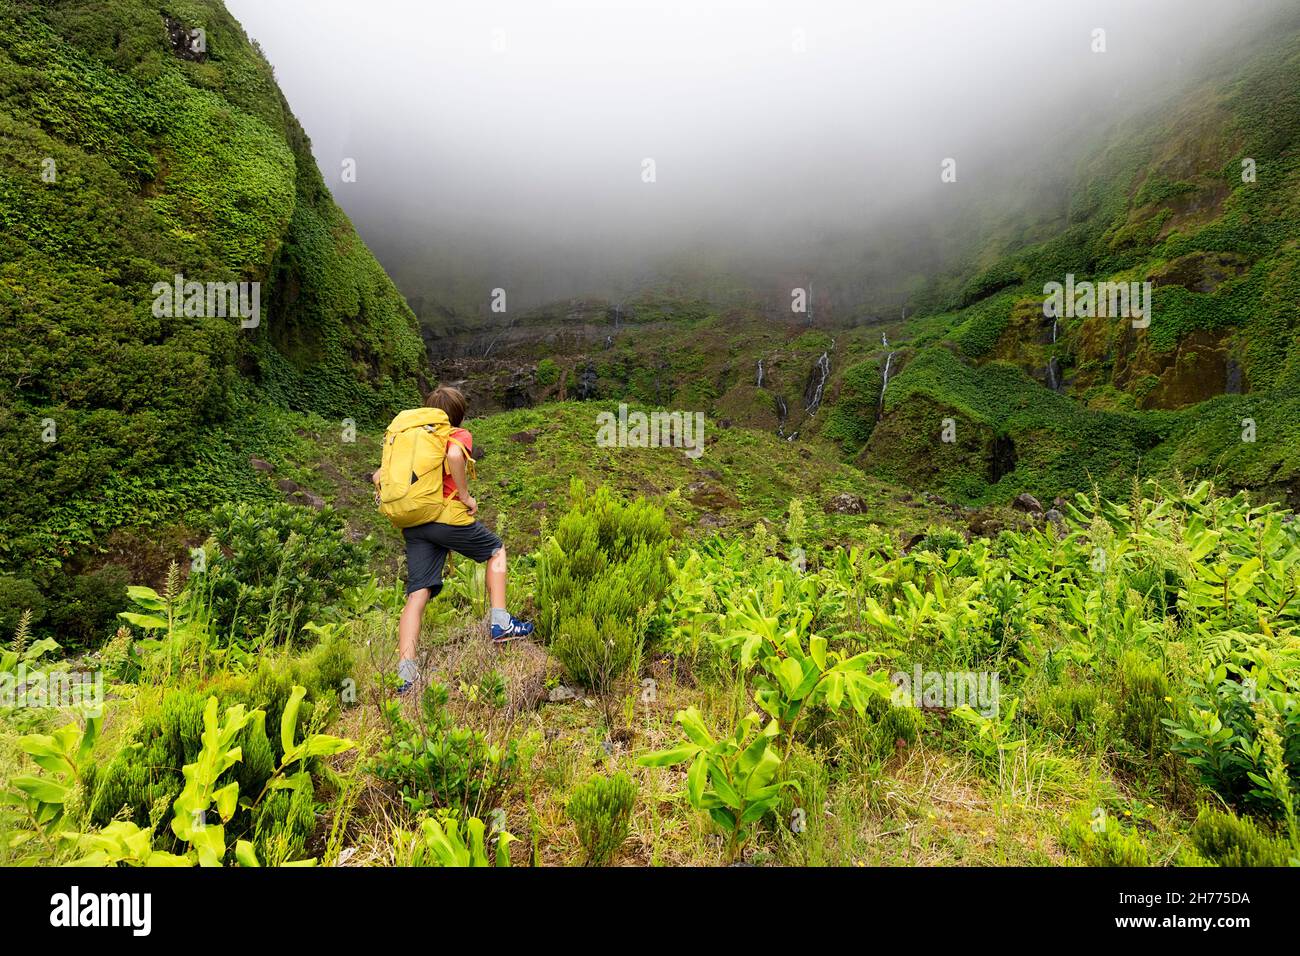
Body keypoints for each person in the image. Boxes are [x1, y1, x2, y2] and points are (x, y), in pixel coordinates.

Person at [375, 385, 533, 694]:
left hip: (414, 524)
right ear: (458, 414)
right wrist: (465, 496)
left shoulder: (410, 439)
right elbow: (453, 456)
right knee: (496, 550)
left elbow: (378, 477)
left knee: (417, 595)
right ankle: (501, 622)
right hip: (445, 517)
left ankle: (406, 674)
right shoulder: (455, 435)